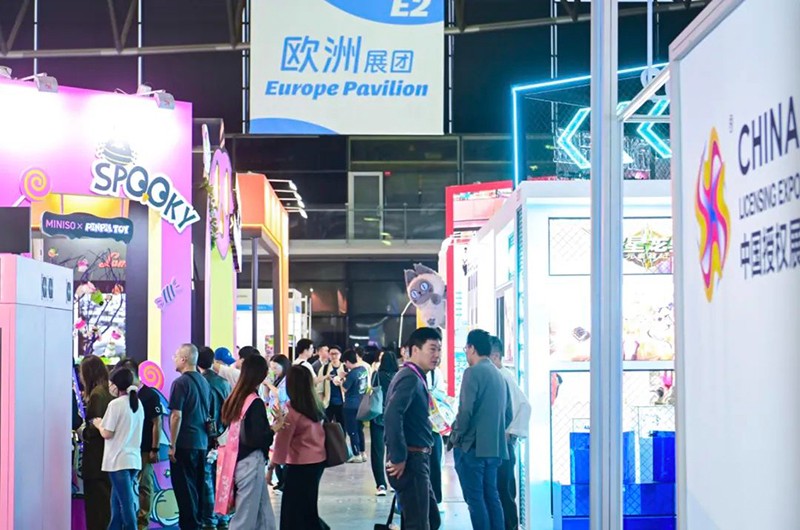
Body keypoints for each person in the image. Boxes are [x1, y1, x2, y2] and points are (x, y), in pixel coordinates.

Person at [449, 329, 512, 530]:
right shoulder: (499, 375)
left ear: (472, 348)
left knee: (475, 499)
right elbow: (508, 414)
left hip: (473, 448)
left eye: (466, 349)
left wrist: (455, 437)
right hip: (495, 448)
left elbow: (465, 411)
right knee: (492, 496)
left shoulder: (472, 372)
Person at [384, 327, 443, 530]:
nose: (437, 355)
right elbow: (392, 414)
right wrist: (398, 457)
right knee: (418, 524)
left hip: (418, 459)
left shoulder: (415, 375)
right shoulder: (409, 377)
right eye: (432, 349)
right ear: (415, 350)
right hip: (411, 460)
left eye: (439, 350)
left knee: (430, 519)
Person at [219, 355, 280, 530]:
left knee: (262, 512)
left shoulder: (237, 397)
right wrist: (275, 428)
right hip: (251, 461)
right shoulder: (255, 402)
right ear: (262, 374)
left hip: (236, 458)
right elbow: (257, 438)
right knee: (245, 516)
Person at [269, 366, 328, 530]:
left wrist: (271, 467)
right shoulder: (316, 406)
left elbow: (282, 442)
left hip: (299, 464)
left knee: (292, 509)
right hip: (318, 461)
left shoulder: (292, 411)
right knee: (308, 506)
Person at [92, 366, 145, 530]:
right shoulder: (137, 403)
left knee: (125, 503)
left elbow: (107, 433)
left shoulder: (115, 405)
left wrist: (98, 424)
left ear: (116, 385)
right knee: (116, 503)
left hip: (117, 461)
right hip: (133, 460)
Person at [168, 344, 213, 530]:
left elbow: (176, 415)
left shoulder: (180, 383)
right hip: (201, 443)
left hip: (184, 444)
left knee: (184, 492)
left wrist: (172, 444)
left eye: (176, 355)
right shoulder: (204, 382)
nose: (174, 358)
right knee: (196, 490)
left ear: (184, 359)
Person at [116, 358, 164, 530]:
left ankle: (142, 522)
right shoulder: (122, 397)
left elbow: (157, 422)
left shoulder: (150, 395)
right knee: (123, 487)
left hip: (144, 449)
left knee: (145, 485)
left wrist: (154, 448)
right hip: (125, 449)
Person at [490, 336, 531, 530]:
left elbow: (523, 406)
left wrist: (510, 432)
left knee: (504, 491)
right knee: (504, 490)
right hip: (503, 444)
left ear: (495, 356)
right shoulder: (501, 376)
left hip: (504, 444)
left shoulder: (503, 377)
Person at [198, 347, 233, 530]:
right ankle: (223, 517)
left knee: (207, 479)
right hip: (224, 437)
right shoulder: (224, 383)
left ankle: (210, 519)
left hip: (206, 437)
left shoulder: (200, 383)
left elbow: (204, 413)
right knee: (222, 479)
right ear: (213, 361)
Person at [79, 355, 114, 530]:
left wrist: (82, 430)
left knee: (96, 508)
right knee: (105, 507)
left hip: (95, 460)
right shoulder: (109, 391)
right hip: (108, 459)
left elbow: (94, 427)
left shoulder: (97, 394)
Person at [370, 350, 398, 496]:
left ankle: (381, 485)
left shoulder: (377, 375)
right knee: (393, 450)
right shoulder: (399, 376)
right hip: (394, 418)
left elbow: (372, 390)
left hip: (378, 416)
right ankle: (393, 482)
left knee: (377, 451)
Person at [335, 349, 368, 463]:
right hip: (361, 404)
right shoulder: (363, 369)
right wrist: (347, 376)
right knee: (360, 429)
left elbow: (345, 388)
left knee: (352, 430)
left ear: (348, 361)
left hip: (350, 405)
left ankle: (356, 454)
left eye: (345, 362)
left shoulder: (352, 373)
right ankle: (363, 452)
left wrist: (340, 381)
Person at [318, 346, 345, 425]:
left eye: (336, 354)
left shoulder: (345, 368)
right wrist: (321, 403)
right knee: (326, 426)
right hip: (328, 403)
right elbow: (319, 387)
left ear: (340, 355)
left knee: (342, 426)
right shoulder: (324, 368)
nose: (333, 356)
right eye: (331, 354)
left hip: (342, 403)